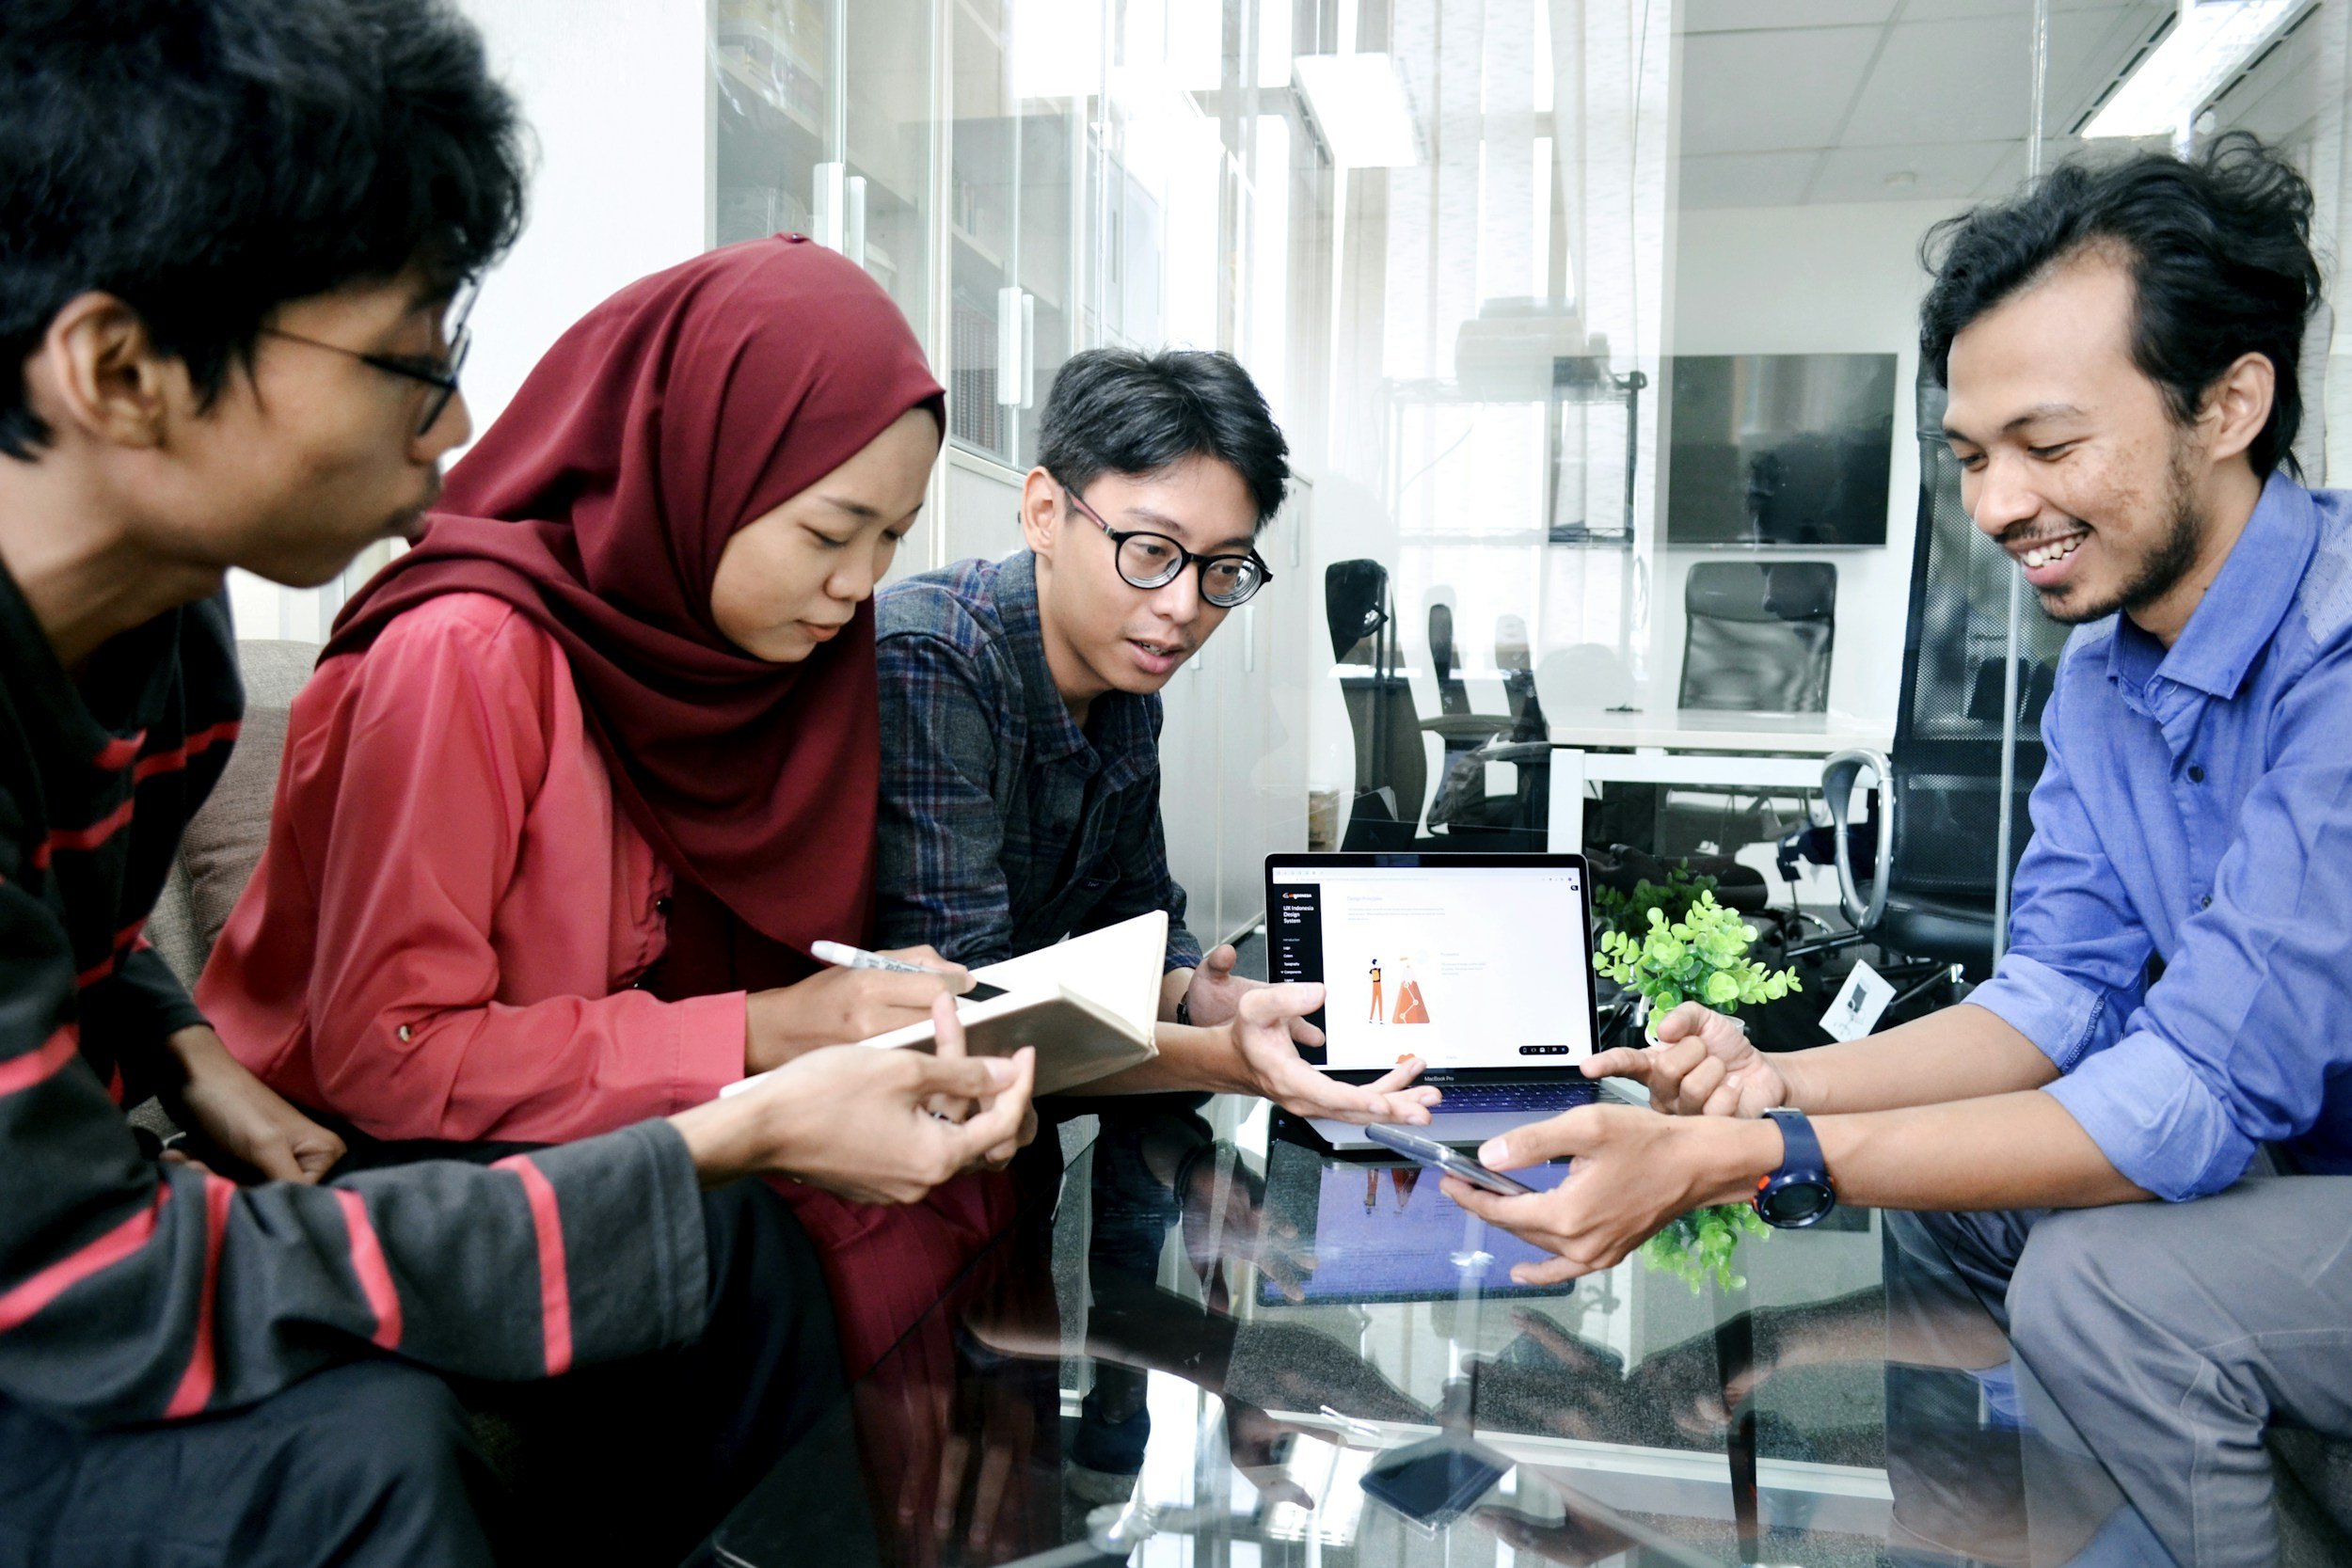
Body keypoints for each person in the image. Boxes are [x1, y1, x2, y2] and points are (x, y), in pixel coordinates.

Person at [0, 5, 1031, 1565]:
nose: (461, 422)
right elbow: (107, 1281)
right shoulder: (469, 645)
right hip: (92, 1276)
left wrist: (171, 1034)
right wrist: (736, 1116)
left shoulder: (166, 647)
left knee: (729, 1255)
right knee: (372, 1456)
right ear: (123, 367)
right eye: (409, 358)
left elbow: (65, 937)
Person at [1444, 133, 2351, 1568]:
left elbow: (2197, 1092)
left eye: (2050, 447)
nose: (1998, 508)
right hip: (2297, 1163)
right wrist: (1778, 1077)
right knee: (1949, 1204)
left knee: (2105, 1284)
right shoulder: (2110, 670)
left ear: (2232, 400)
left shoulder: (2341, 656)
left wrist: (1752, 1149)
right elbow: (2053, 993)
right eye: (1975, 456)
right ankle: (1985, 1542)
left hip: (2303, 1161)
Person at [196, 234, 1042, 1385]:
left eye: (890, 538)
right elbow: (391, 1051)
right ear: (696, 468)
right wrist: (776, 1028)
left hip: (570, 1115)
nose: (857, 585)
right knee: (736, 1240)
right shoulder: (466, 653)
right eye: (828, 532)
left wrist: (850, 1018)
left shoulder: (743, 664)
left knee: (945, 1173)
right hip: (362, 1148)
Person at [872, 346, 1434, 1120]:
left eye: (1224, 568)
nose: (1182, 606)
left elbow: (1141, 915)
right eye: (1150, 552)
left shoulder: (1127, 687)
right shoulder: (934, 662)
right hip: (880, 1137)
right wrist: (1231, 1060)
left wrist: (1195, 995)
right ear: (1044, 512)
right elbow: (971, 1015)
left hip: (999, 1141)